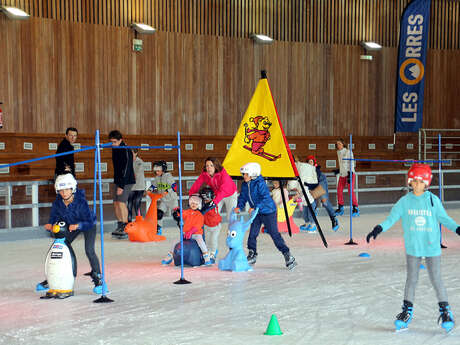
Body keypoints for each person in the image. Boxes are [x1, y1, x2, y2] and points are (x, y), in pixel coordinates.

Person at [366, 163, 458, 332]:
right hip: (413, 247)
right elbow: (391, 218)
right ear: (410, 182)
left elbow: (445, 219)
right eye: (414, 181)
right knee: (411, 280)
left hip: (431, 247)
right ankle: (406, 312)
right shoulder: (405, 202)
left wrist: (458, 229)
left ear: (426, 183)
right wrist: (378, 228)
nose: (417, 185)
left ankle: (446, 312)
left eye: (420, 181)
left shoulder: (433, 200)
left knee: (436, 279)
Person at [36, 174, 104, 294]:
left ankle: (98, 277)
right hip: (71, 225)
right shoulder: (58, 203)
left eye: (67, 189)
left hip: (87, 225)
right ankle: (53, 278)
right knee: (61, 247)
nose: (64, 193)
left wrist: (79, 226)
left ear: (73, 189)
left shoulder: (80, 202)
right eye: (61, 190)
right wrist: (51, 224)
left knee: (89, 250)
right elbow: (54, 217)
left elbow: (89, 221)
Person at [234, 162, 297, 270]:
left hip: (268, 212)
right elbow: (243, 197)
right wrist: (239, 206)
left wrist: (255, 207)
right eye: (243, 174)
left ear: (253, 174)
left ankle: (287, 255)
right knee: (252, 234)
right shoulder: (245, 184)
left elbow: (265, 198)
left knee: (274, 235)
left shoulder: (260, 183)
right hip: (257, 213)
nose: (244, 176)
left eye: (246, 174)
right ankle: (252, 253)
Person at [161, 195, 212, 266]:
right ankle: (170, 256)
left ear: (199, 205)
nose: (194, 205)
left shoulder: (199, 215)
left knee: (200, 242)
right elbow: (182, 214)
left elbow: (198, 225)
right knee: (175, 241)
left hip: (196, 234)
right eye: (192, 203)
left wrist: (191, 232)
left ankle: (206, 256)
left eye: (196, 204)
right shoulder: (187, 212)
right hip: (185, 234)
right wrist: (178, 211)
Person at [188, 157, 237, 224]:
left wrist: (215, 201)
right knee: (213, 215)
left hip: (230, 194)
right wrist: (191, 196)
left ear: (216, 166)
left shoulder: (223, 174)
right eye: (207, 166)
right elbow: (197, 184)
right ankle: (216, 230)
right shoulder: (205, 174)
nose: (209, 168)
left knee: (231, 217)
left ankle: (232, 233)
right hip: (217, 194)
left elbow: (223, 190)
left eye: (211, 165)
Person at [108, 130, 136, 239]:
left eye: (115, 142)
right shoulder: (115, 149)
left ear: (121, 140)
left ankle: (125, 225)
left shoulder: (126, 150)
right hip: (118, 180)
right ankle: (120, 224)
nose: (113, 144)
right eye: (111, 142)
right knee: (115, 202)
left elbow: (126, 169)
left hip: (126, 181)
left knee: (121, 202)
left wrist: (121, 186)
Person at [306, 155, 339, 232]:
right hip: (311, 183)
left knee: (325, 202)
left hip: (320, 182)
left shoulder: (316, 170)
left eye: (311, 161)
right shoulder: (306, 170)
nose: (310, 163)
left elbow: (315, 180)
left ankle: (333, 218)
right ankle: (312, 224)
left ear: (314, 163)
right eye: (308, 161)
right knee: (311, 203)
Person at [287, 156, 317, 232]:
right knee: (304, 214)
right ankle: (307, 224)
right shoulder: (299, 169)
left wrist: (297, 195)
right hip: (304, 201)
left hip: (310, 200)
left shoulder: (304, 170)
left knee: (311, 214)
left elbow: (304, 188)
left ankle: (313, 226)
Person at [149, 160, 178, 235]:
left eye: (158, 170)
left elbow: (174, 186)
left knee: (177, 215)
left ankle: (183, 230)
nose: (156, 172)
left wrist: (167, 191)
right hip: (164, 201)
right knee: (159, 214)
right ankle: (158, 230)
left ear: (163, 169)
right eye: (155, 171)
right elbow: (154, 186)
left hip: (172, 200)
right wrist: (149, 190)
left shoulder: (168, 176)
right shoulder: (157, 178)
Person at [334, 138, 359, 217]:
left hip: (349, 174)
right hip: (342, 174)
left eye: (340, 144)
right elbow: (342, 163)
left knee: (350, 191)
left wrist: (350, 174)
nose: (338, 146)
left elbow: (351, 163)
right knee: (339, 190)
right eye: (337, 144)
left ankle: (355, 208)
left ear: (343, 144)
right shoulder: (338, 152)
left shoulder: (348, 152)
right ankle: (340, 208)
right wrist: (339, 170)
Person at [199, 186, 222, 262]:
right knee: (208, 240)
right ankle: (208, 252)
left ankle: (213, 252)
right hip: (207, 226)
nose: (205, 201)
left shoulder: (213, 205)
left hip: (215, 226)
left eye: (206, 199)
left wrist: (203, 209)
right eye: (204, 199)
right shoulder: (203, 205)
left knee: (213, 240)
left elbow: (208, 212)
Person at [127, 148, 145, 223]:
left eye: (132, 153)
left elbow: (135, 175)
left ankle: (139, 221)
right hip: (131, 187)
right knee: (129, 205)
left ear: (136, 153)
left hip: (139, 187)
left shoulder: (140, 162)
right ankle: (129, 222)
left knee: (136, 203)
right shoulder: (128, 161)